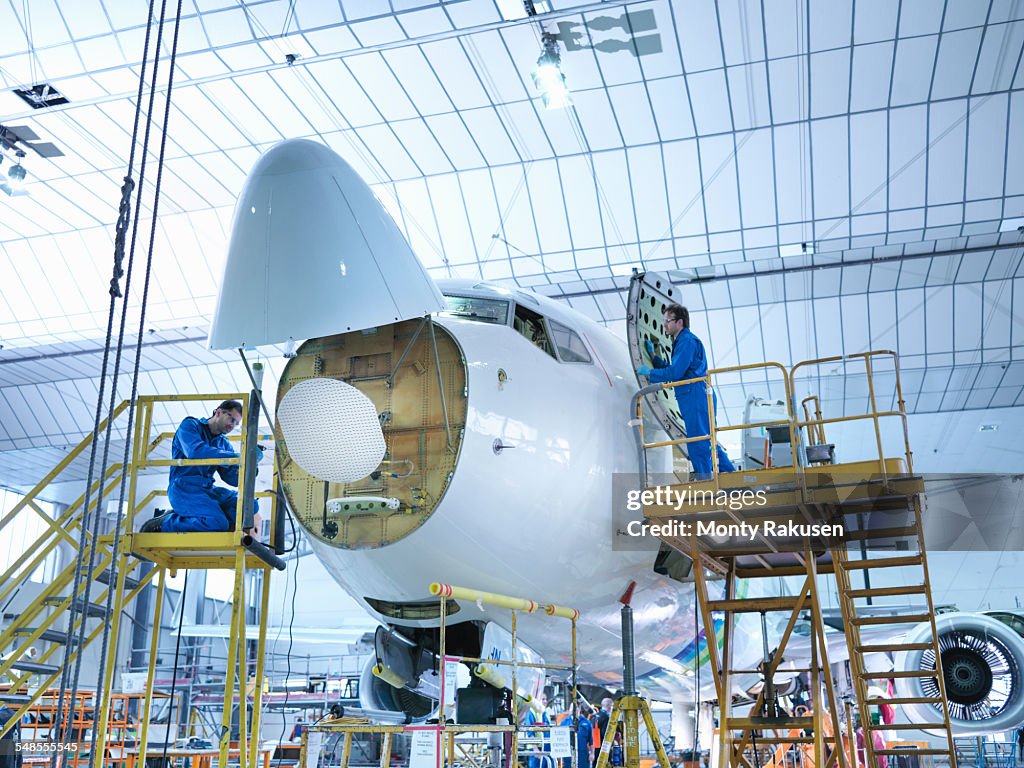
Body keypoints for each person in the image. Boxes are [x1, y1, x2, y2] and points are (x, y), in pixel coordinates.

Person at [637, 304, 736, 480]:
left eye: (668, 321)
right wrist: (654, 358)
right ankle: (733, 479)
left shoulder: (687, 341)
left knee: (698, 443)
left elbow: (674, 374)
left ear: (680, 322)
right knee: (707, 441)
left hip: (696, 395)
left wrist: (650, 373)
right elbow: (676, 369)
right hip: (696, 394)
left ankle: (707, 486)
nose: (664, 325)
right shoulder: (683, 341)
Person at [141, 400, 262, 536]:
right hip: (184, 489)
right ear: (218, 412)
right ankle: (165, 523)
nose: (232, 425)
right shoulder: (190, 425)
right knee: (217, 523)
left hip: (207, 490)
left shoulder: (223, 443)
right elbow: (196, 452)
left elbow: (231, 479)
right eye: (231, 419)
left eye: (236, 423)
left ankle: (200, 518)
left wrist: (250, 467)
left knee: (250, 506)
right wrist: (238, 457)